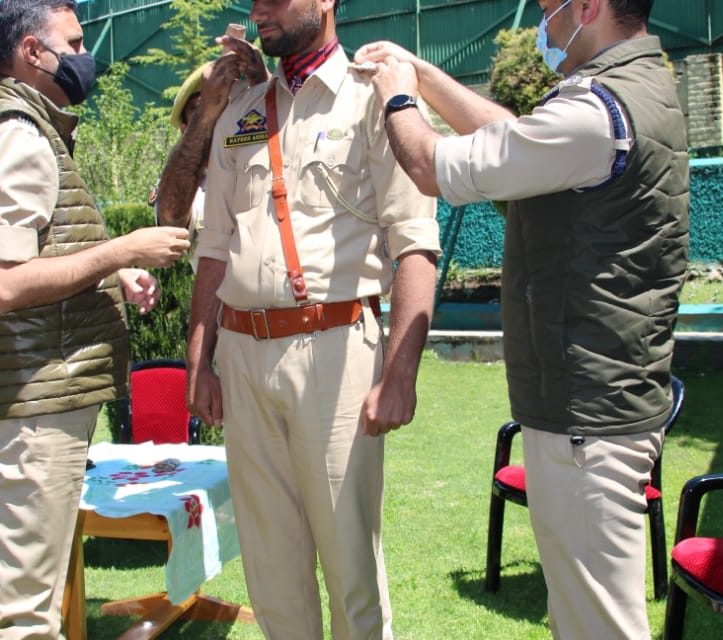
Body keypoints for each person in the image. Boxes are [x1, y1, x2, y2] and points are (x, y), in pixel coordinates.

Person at [356, 0, 689, 638]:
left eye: (548, 8)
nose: (544, 23)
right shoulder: (630, 92)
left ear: (588, 8)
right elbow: (511, 132)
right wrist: (422, 73)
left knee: (599, 626)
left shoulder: (598, 112)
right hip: (598, 407)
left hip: (587, 419)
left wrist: (399, 98)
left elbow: (430, 165)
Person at [185, 0, 441, 637]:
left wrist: (400, 374)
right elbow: (214, 249)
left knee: (351, 568)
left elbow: (414, 241)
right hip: (242, 359)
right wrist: (200, 363)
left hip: (335, 350)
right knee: (272, 575)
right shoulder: (242, 114)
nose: (258, 10)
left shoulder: (374, 97)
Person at [0, 1, 190, 637]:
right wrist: (124, 249)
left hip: (33, 395)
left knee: (39, 588)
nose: (86, 56)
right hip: (34, 404)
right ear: (32, 53)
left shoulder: (26, 123)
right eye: (73, 42)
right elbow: (5, 283)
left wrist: (110, 274)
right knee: (25, 609)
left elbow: (34, 250)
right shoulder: (18, 132)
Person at [153, 33, 268, 272]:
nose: (221, 117)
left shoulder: (267, 160)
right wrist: (206, 113)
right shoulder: (185, 183)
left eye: (228, 106)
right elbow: (171, 218)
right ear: (186, 127)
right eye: (200, 108)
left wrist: (262, 88)